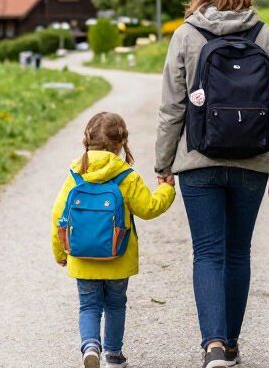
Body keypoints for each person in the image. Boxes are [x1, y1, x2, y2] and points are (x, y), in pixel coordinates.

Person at [155, 0, 269, 368]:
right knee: (238, 253)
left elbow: (172, 108)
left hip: (198, 161)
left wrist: (163, 165)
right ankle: (231, 343)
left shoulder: (186, 35)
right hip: (252, 159)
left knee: (208, 252)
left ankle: (213, 345)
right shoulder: (265, 34)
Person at [51, 112, 176, 368]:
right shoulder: (125, 175)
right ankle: (114, 355)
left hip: (82, 257)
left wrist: (60, 253)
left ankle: (90, 346)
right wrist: (167, 189)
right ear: (121, 143)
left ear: (87, 139)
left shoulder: (76, 174)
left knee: (88, 306)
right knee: (116, 305)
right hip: (118, 257)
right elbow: (149, 208)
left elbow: (58, 216)